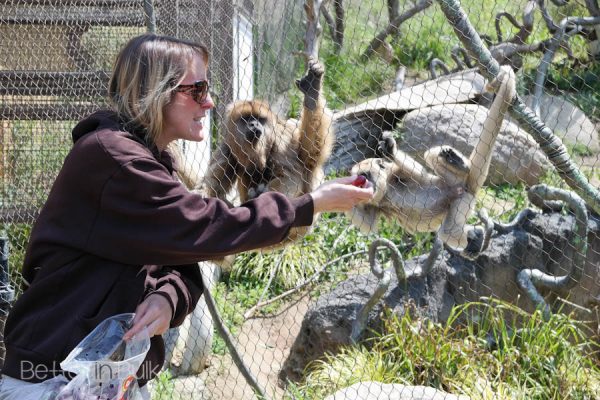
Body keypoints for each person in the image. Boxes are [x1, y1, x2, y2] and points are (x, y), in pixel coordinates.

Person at [0, 34, 373, 399]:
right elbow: (203, 227)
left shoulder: (151, 162)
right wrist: (309, 205)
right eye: (197, 90)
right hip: (52, 376)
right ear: (158, 92)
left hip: (112, 377)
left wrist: (167, 298)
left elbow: (184, 253)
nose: (209, 103)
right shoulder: (113, 158)